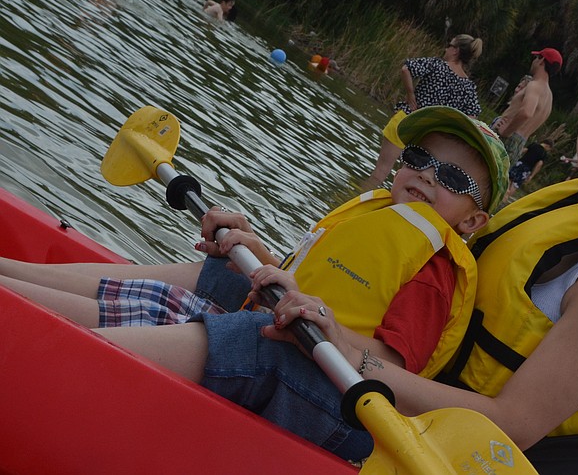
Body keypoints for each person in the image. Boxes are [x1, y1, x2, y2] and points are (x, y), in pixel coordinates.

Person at [90, 49, 578, 474]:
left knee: (268, 342)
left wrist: (337, 341)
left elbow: (512, 426)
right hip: (414, 396)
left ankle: (69, 351)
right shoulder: (565, 208)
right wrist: (278, 259)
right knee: (232, 274)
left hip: (446, 452)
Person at [0, 106, 508, 375]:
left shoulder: (434, 272)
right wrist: (254, 249)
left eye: (453, 178)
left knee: (193, 318)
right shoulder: (380, 219)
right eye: (419, 158)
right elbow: (304, 275)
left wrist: (320, 321)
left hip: (311, 375)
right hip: (271, 326)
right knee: (199, 281)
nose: (426, 175)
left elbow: (393, 365)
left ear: (471, 222)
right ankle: (13, 279)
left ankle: (33, 344)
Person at [361, 34, 483, 190]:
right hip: (428, 138)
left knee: (379, 173)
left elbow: (406, 68)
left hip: (407, 121)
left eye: (449, 45)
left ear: (456, 51)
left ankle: (349, 205)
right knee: (402, 183)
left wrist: (410, 94)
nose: (445, 48)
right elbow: (472, 118)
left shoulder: (437, 64)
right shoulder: (469, 87)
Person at [492, 48, 562, 164]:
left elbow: (526, 112)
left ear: (541, 61)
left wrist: (506, 131)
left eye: (536, 58)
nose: (533, 61)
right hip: (519, 143)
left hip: (507, 137)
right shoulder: (549, 97)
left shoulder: (535, 86)